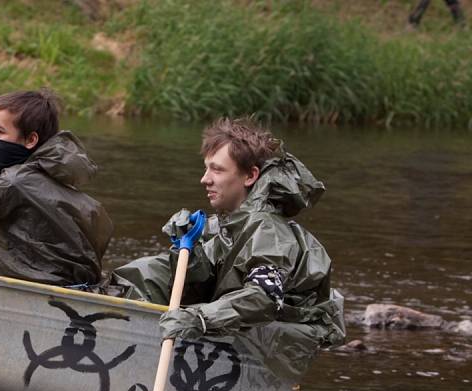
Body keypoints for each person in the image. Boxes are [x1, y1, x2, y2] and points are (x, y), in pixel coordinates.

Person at [112, 117, 345, 373]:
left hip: (269, 352)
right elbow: (206, 285)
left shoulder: (267, 230)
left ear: (250, 176)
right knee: (151, 270)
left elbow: (263, 297)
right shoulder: (227, 226)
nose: (205, 179)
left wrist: (200, 318)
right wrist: (189, 253)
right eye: (205, 169)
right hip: (238, 336)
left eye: (217, 170)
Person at [0, 89, 113, 287]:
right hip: (77, 282)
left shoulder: (16, 180)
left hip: (56, 289)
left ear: (31, 140)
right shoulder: (54, 170)